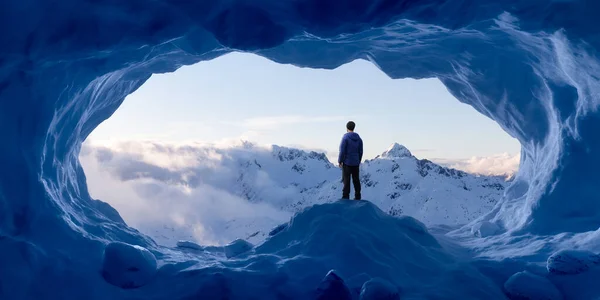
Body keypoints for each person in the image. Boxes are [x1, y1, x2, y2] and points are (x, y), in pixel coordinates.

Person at [337, 121, 363, 200]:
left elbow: (342, 150)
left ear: (347, 128)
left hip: (347, 162)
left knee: (346, 180)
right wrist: (358, 160)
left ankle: (345, 196)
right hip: (355, 163)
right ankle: (357, 196)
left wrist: (340, 161)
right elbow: (361, 151)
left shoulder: (345, 138)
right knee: (356, 180)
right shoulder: (359, 139)